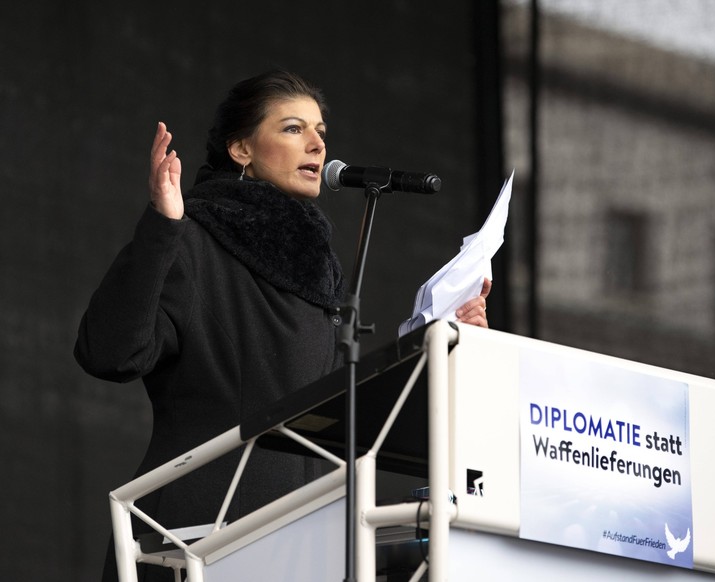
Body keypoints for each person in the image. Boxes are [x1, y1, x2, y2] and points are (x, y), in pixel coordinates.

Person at [74, 70, 490, 582]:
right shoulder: (192, 241)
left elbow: (339, 408)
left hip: (307, 539)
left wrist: (437, 338)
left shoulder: (317, 269)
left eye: (321, 131)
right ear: (242, 149)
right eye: (294, 128)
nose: (317, 143)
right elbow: (109, 352)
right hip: (199, 535)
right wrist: (162, 225)